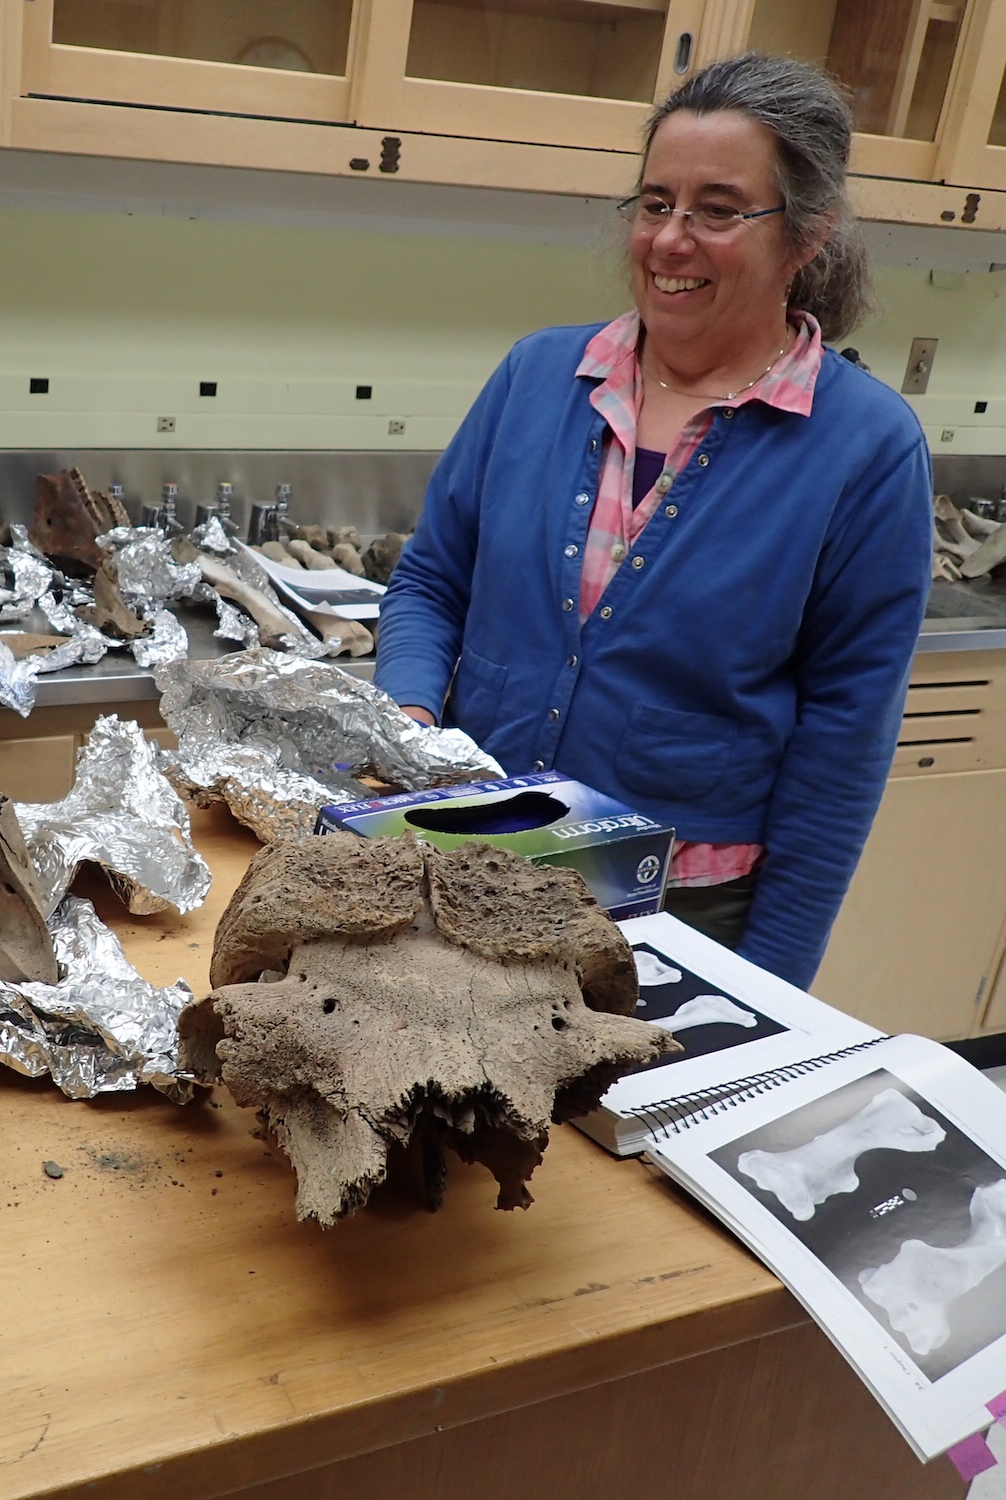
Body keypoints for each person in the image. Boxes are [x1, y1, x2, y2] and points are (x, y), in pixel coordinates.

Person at [374, 53, 931, 989]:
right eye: (654, 202)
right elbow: (434, 580)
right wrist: (410, 716)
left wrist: (773, 980)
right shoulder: (536, 378)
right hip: (470, 863)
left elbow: (844, 739)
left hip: (676, 915)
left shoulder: (866, 447)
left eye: (718, 210)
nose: (671, 239)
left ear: (806, 236)